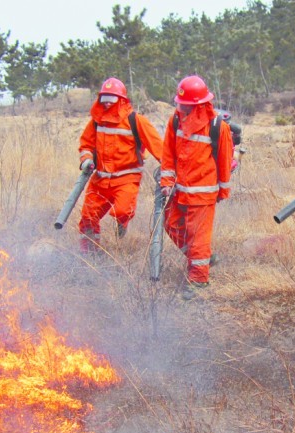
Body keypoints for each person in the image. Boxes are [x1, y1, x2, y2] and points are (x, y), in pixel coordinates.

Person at [160, 75, 233, 300]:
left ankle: (199, 280)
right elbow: (168, 153)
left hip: (203, 195)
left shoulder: (216, 126)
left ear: (199, 104)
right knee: (171, 224)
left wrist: (223, 190)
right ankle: (202, 258)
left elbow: (224, 160)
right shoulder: (176, 120)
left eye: (186, 105)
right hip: (179, 192)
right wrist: (166, 182)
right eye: (180, 104)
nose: (182, 107)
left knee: (198, 237)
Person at [77, 77, 163, 252]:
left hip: (126, 178)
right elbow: (86, 144)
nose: (107, 103)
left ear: (122, 99)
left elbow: (159, 147)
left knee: (123, 211)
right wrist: (86, 160)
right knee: (87, 217)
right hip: (100, 179)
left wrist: (170, 169)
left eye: (112, 99)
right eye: (104, 98)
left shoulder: (136, 120)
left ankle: (121, 223)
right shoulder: (96, 120)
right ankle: (90, 253)